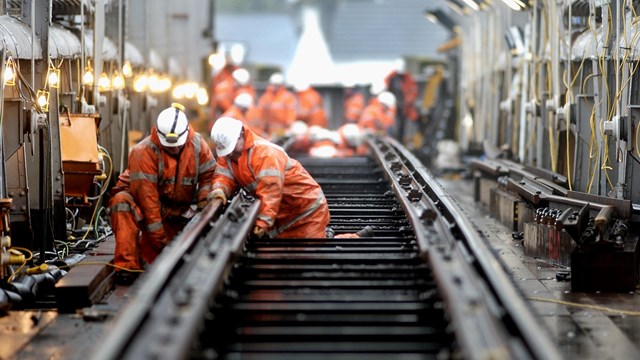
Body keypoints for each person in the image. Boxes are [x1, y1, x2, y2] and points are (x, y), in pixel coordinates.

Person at [109, 103, 216, 284]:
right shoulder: (143, 153)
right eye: (169, 146)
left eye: (176, 146)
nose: (173, 149)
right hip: (145, 207)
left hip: (175, 209)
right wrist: (161, 242)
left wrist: (203, 206)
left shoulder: (198, 145)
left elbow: (208, 176)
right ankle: (127, 266)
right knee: (121, 202)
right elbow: (148, 202)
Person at [208, 116, 329, 238]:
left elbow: (270, 190)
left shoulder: (264, 154)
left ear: (242, 134)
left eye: (232, 148)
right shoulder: (229, 154)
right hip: (283, 212)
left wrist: (263, 222)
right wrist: (219, 189)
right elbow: (224, 174)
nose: (230, 153)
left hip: (306, 211)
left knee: (309, 252)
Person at [384, 58, 418, 143]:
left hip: (404, 107)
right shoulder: (391, 78)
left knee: (403, 125)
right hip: (393, 105)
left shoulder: (408, 78)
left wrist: (408, 100)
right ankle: (393, 139)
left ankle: (402, 140)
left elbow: (413, 91)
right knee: (392, 124)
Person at [256, 72, 297, 139]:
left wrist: (287, 128)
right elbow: (260, 114)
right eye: (274, 85)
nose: (275, 87)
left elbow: (290, 117)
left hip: (282, 131)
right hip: (268, 132)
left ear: (281, 85)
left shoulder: (288, 97)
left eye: (277, 85)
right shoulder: (265, 97)